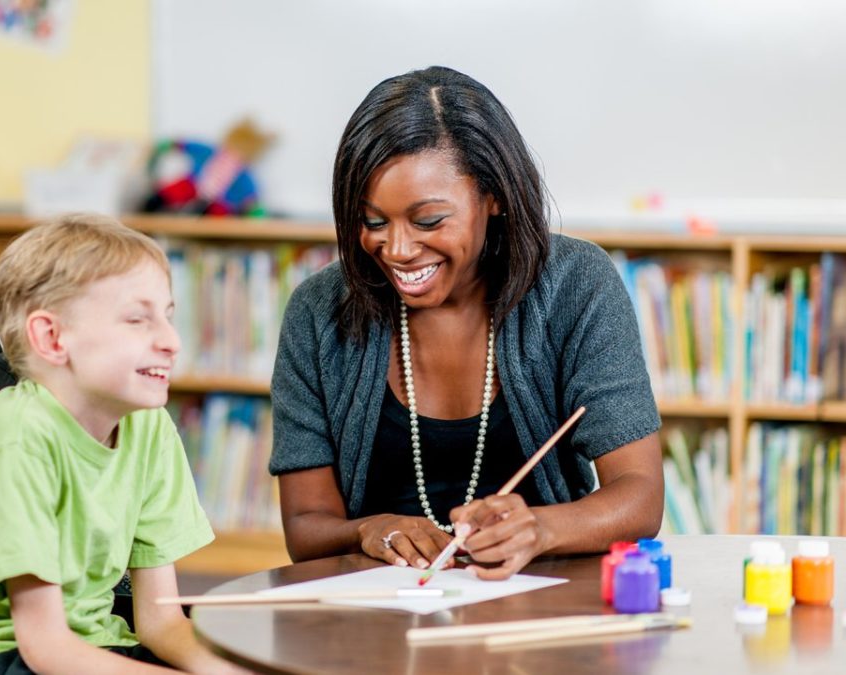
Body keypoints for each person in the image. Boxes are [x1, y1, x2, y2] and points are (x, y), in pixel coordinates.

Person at [269, 66, 664, 580]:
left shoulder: (577, 285)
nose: (399, 249)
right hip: (380, 618)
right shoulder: (318, 310)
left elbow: (641, 496)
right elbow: (305, 527)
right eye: (373, 222)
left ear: (493, 196)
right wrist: (370, 529)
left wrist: (541, 529)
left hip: (542, 606)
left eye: (429, 220)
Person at [0, 214, 246, 675]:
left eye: (169, 316)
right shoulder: (15, 441)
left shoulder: (149, 427)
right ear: (52, 337)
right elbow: (45, 648)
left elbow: (160, 621)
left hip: (87, 645)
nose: (172, 341)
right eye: (138, 319)